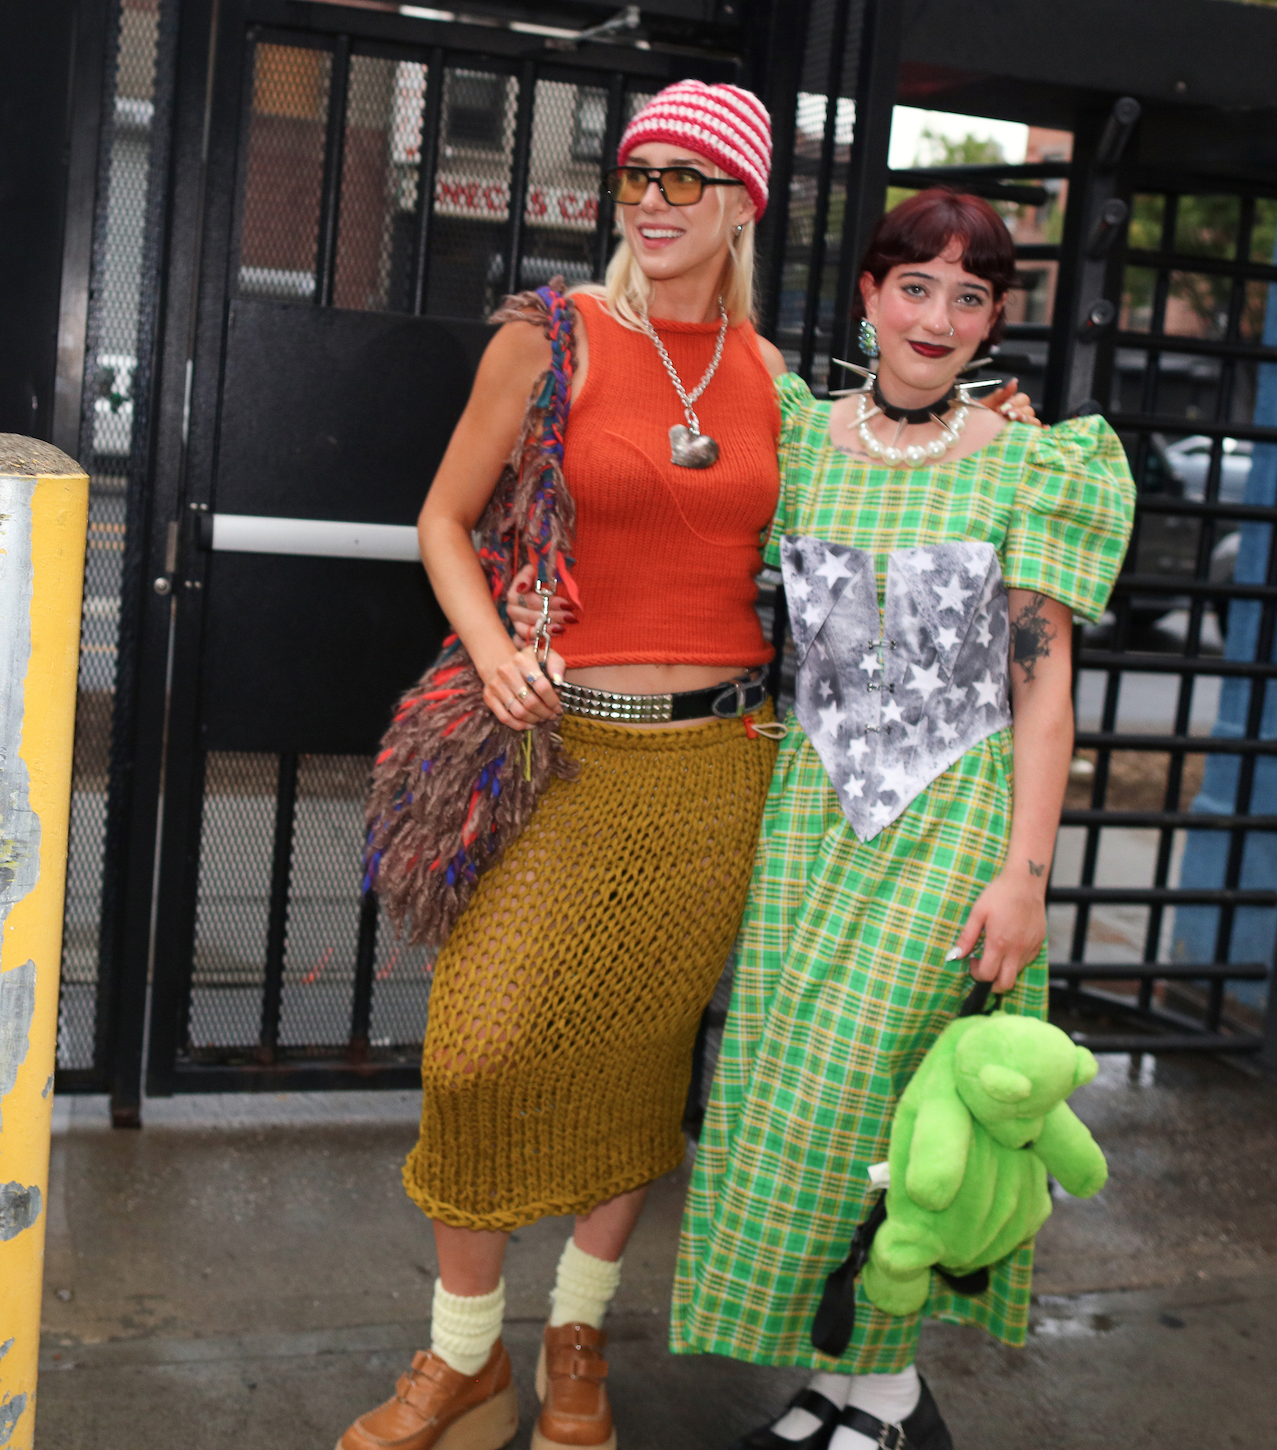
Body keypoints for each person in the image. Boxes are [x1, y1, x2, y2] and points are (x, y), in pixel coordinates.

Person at [338, 81, 791, 1450]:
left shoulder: (777, 382)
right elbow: (441, 513)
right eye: (636, 178)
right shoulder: (557, 339)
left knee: (641, 1064)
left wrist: (992, 436)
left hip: (718, 766)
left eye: (683, 181)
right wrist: (488, 651)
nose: (649, 202)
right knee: (479, 1050)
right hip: (559, 755)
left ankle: (579, 1334)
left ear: (741, 205)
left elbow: (886, 498)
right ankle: (465, 1353)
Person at [669, 189, 1135, 1450]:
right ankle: (851, 1382)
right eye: (914, 285)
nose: (936, 316)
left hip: (952, 829)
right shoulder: (800, 436)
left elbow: (1042, 695)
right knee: (790, 1106)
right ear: (869, 293)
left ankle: (874, 1395)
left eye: (968, 294)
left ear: (994, 318)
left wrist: (1024, 874)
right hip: (808, 823)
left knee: (895, 1113)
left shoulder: (1036, 463)